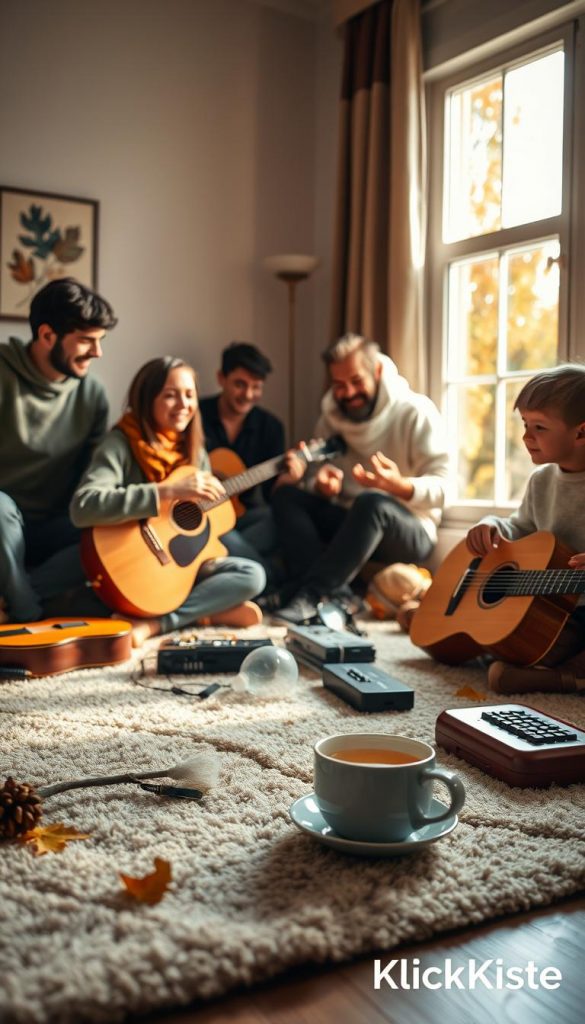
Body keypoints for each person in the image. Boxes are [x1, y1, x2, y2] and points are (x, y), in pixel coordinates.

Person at [70, 356, 265, 646]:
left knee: (253, 575)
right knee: (68, 597)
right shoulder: (121, 443)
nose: (183, 404)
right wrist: (167, 492)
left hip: (179, 565)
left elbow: (202, 518)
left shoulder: (194, 450)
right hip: (132, 561)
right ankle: (206, 612)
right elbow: (83, 506)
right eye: (170, 395)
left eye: (189, 395)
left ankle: (156, 623)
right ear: (147, 399)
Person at [270, 333, 449, 623]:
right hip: (352, 522)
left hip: (411, 528)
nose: (349, 393)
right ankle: (337, 593)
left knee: (372, 503)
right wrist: (321, 486)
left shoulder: (416, 412)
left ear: (377, 371)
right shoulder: (330, 419)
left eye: (356, 381)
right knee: (285, 495)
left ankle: (311, 594)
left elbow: (446, 488)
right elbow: (316, 475)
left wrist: (399, 486)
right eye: (339, 385)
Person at [0, 277, 117, 625]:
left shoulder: (92, 395)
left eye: (101, 341)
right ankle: (28, 615)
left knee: (112, 531)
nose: (97, 353)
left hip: (54, 525)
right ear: (47, 335)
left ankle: (15, 595)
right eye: (86, 341)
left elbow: (91, 478)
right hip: (3, 521)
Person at [464, 364, 585, 692]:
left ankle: (560, 678)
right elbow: (520, 527)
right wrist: (490, 524)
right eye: (525, 424)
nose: (526, 437)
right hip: (552, 608)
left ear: (581, 432)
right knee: (517, 634)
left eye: (540, 428)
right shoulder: (542, 480)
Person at [199, 342, 285, 578]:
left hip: (243, 517)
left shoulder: (271, 427)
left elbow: (271, 495)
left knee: (279, 518)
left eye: (256, 387)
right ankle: (273, 581)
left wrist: (289, 479)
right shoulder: (195, 416)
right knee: (219, 535)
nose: (248, 395)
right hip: (201, 519)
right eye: (240, 384)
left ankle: (216, 562)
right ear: (221, 378)